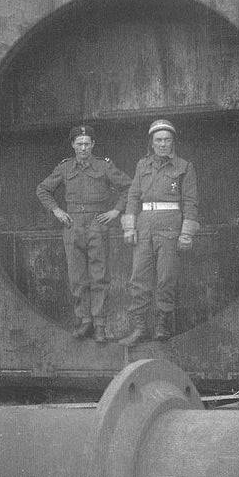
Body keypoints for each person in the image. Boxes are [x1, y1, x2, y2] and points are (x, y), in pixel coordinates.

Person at [36, 125, 131, 343]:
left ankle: (99, 325)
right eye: (79, 144)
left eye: (87, 144)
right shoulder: (65, 168)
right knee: (77, 277)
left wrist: (115, 211)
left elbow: (129, 187)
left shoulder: (104, 167)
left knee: (99, 275)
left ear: (93, 145)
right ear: (73, 145)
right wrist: (57, 210)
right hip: (73, 225)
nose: (83, 148)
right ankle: (84, 321)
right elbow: (42, 189)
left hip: (97, 223)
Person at [118, 119, 199, 346]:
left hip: (170, 227)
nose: (163, 144)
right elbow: (133, 196)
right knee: (138, 278)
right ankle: (140, 329)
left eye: (167, 140)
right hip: (144, 227)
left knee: (166, 278)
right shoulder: (142, 166)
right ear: (152, 143)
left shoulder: (184, 167)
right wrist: (129, 226)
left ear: (173, 142)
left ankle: (163, 327)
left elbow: (191, 203)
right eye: (158, 140)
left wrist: (186, 233)